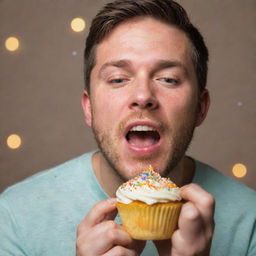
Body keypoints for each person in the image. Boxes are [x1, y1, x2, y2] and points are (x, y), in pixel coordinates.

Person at [0, 0, 255, 255]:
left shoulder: (250, 221)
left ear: (200, 108)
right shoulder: (15, 217)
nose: (143, 95)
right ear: (89, 108)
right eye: (118, 79)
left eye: (168, 79)